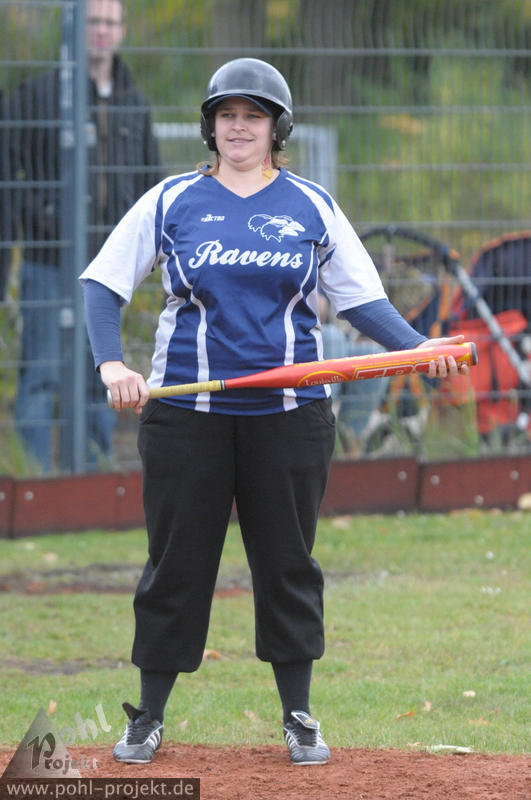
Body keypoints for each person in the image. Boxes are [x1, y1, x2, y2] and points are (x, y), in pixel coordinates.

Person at [80, 57, 469, 766]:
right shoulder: (171, 200)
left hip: (290, 416)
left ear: (275, 128)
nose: (238, 127)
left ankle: (298, 715)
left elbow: (360, 300)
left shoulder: (311, 205)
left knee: (288, 563)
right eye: (226, 115)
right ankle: (148, 716)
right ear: (209, 127)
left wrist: (418, 348)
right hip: (187, 415)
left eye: (252, 116)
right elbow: (102, 284)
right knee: (175, 565)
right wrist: (113, 364)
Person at [6, 0, 160, 472]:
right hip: (48, 263)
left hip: (109, 272)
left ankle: (94, 473)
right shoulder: (38, 95)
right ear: (76, 28)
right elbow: (9, 172)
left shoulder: (135, 103)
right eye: (94, 21)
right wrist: (43, 217)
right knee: (41, 374)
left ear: (122, 30)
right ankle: (34, 479)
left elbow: (151, 181)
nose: (102, 31)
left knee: (102, 377)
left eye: (110, 22)